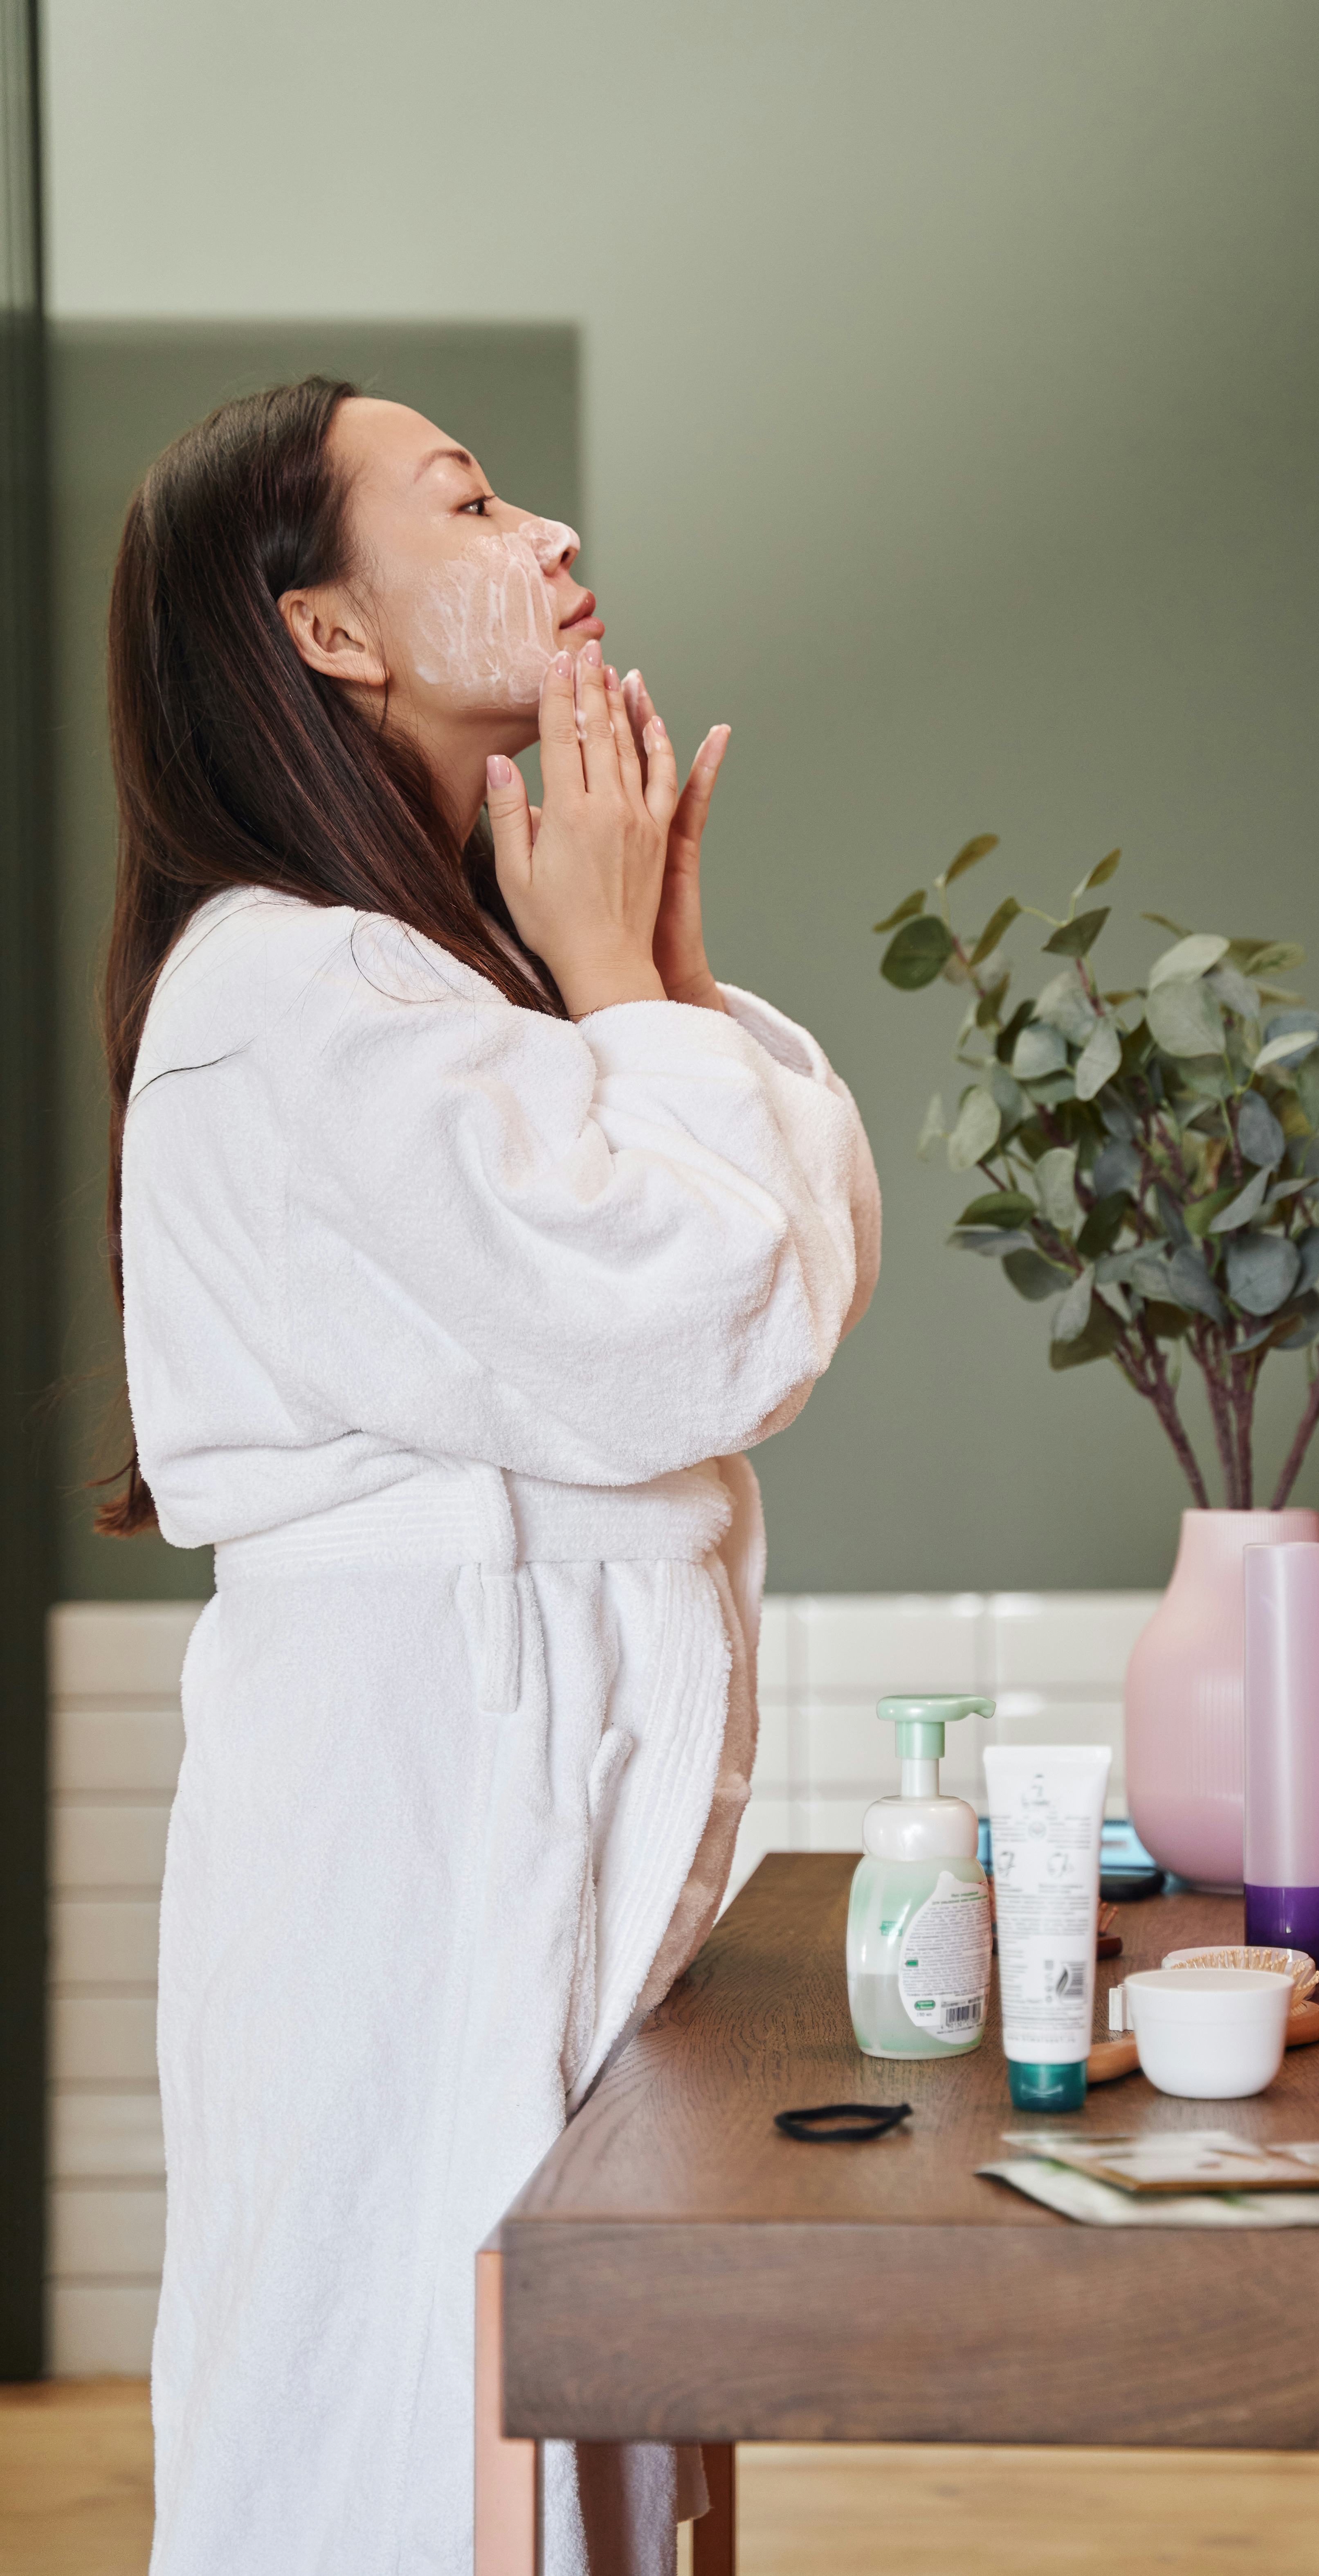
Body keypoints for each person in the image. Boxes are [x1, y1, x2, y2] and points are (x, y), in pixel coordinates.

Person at [98, 376, 879, 2576]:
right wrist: (632, 985)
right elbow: (712, 1320)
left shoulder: (444, 986)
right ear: (329, 633)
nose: (548, 536)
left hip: (507, 1826)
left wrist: (658, 978)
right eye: (463, 499)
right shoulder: (291, 989)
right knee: (396, 2428)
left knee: (547, 2418)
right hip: (420, 1842)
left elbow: (785, 1276)